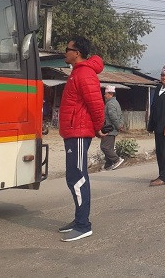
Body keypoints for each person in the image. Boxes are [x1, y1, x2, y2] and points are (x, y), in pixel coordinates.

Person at [57, 37, 105, 241]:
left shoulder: (84, 73)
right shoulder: (77, 72)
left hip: (79, 132)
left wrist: (99, 127)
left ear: (76, 53)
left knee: (78, 178)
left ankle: (83, 225)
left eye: (67, 49)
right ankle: (79, 219)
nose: (64, 52)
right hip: (73, 131)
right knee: (73, 177)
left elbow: (96, 104)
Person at [100, 85, 125, 171]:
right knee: (109, 147)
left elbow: (113, 117)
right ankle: (108, 165)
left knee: (104, 147)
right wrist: (120, 125)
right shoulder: (116, 102)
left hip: (109, 129)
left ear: (111, 94)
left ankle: (116, 160)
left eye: (106, 94)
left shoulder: (110, 104)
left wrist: (118, 126)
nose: (104, 95)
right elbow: (120, 115)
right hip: (113, 129)